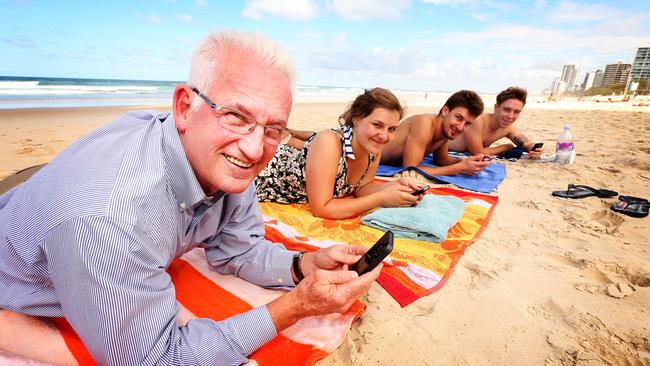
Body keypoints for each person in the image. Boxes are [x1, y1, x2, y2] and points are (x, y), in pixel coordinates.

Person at [0, 31, 381, 365]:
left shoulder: (225, 164)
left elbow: (238, 251)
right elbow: (158, 359)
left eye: (272, 129)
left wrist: (304, 266)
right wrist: (296, 306)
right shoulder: (107, 220)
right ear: (184, 107)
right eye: (235, 115)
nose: (252, 149)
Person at [255, 88, 421, 220]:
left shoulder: (372, 149)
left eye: (392, 129)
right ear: (356, 120)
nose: (384, 136)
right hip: (259, 175)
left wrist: (396, 186)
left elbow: (363, 188)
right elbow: (322, 208)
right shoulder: (330, 142)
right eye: (377, 125)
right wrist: (381, 199)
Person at [379, 90, 491, 176]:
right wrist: (459, 168)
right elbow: (410, 169)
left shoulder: (444, 132)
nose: (461, 127)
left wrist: (468, 162)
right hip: (369, 156)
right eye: (458, 118)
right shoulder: (424, 123)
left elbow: (441, 159)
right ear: (445, 111)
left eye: (467, 123)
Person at [448, 87, 543, 159]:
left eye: (516, 112)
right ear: (496, 108)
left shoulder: (509, 127)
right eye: (506, 110)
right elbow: (477, 152)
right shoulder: (478, 121)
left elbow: (525, 142)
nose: (510, 116)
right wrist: (506, 147)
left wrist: (533, 148)